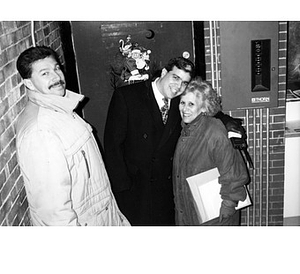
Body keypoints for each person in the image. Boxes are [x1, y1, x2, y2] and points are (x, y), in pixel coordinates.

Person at [104, 56, 246, 225]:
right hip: (136, 189)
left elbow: (206, 107)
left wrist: (228, 122)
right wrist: (122, 189)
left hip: (167, 190)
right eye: (176, 77)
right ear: (164, 72)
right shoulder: (127, 96)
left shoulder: (181, 99)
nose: (178, 86)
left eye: (185, 82)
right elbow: (113, 145)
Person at [15, 46, 130, 226]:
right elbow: (53, 213)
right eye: (45, 74)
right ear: (29, 83)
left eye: (57, 68)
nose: (56, 77)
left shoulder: (60, 108)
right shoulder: (41, 131)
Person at [173, 78, 250, 225]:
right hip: (192, 212)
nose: (185, 109)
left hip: (215, 217)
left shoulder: (214, 132)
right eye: (182, 103)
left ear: (203, 107)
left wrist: (228, 206)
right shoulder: (187, 130)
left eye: (191, 104)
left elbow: (233, 173)